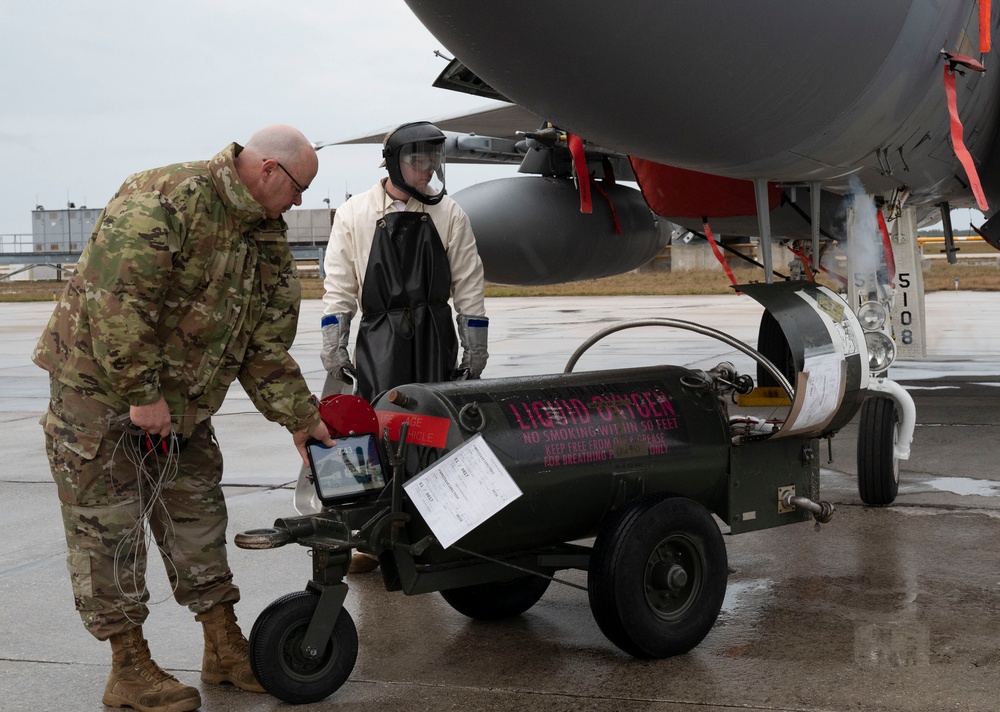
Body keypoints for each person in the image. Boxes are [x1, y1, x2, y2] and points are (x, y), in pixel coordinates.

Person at [33, 124, 334, 712]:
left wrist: (301, 417)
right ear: (269, 169)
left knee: (198, 513)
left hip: (184, 405)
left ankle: (223, 646)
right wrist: (142, 393)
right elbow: (116, 302)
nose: (300, 203)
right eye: (298, 188)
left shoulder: (265, 236)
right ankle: (129, 669)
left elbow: (264, 346)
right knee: (108, 528)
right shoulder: (166, 198)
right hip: (99, 395)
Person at [320, 121, 488, 573]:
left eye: (433, 158)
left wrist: (475, 347)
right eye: (418, 159)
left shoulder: (449, 213)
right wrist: (334, 344)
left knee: (435, 432)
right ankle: (368, 536)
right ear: (394, 161)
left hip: (434, 334)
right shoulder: (355, 213)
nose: (428, 168)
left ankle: (438, 530)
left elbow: (470, 284)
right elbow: (338, 287)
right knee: (376, 430)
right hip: (379, 339)